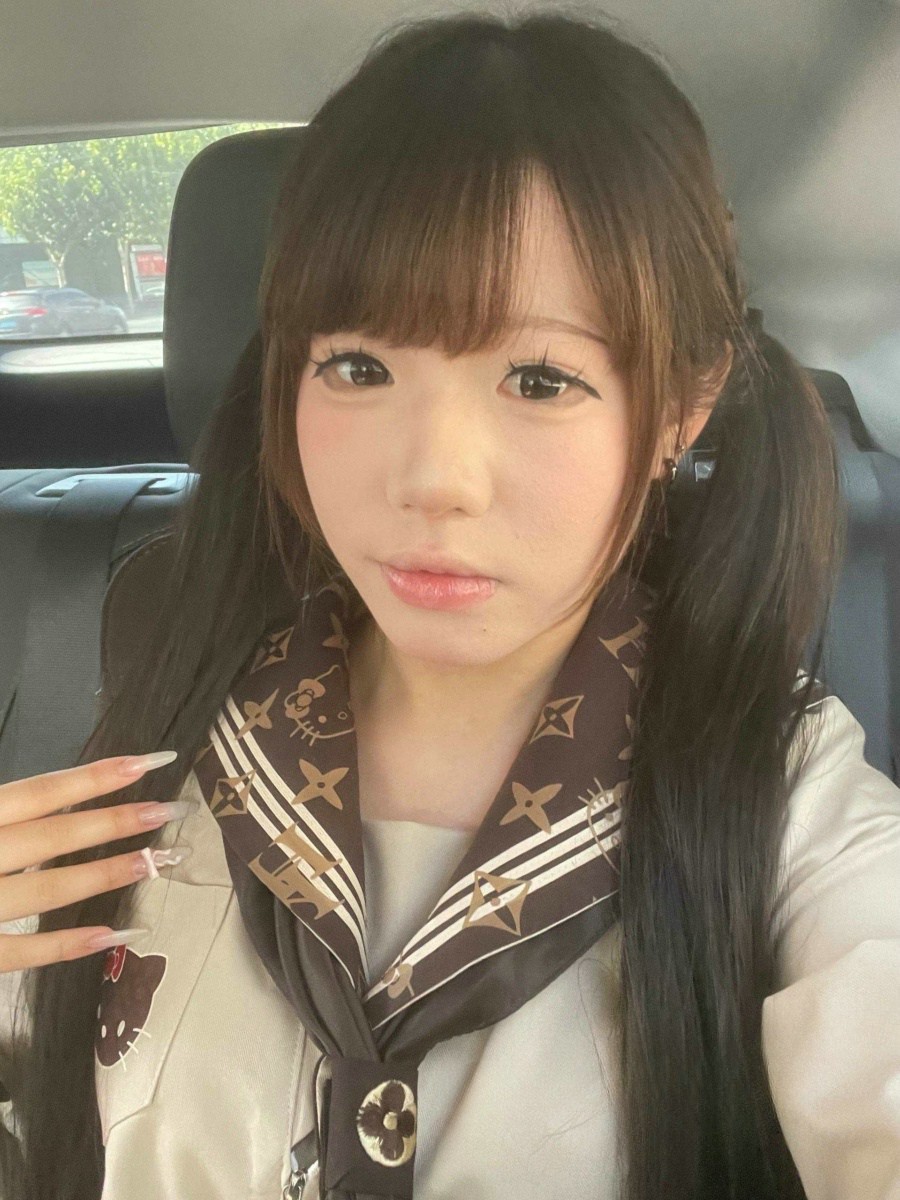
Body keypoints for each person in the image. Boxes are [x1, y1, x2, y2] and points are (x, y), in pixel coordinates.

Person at [0, 8, 898, 1200]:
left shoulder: (776, 799)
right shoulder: (169, 730)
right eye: (359, 367)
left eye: (540, 379)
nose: (433, 479)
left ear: (680, 410)